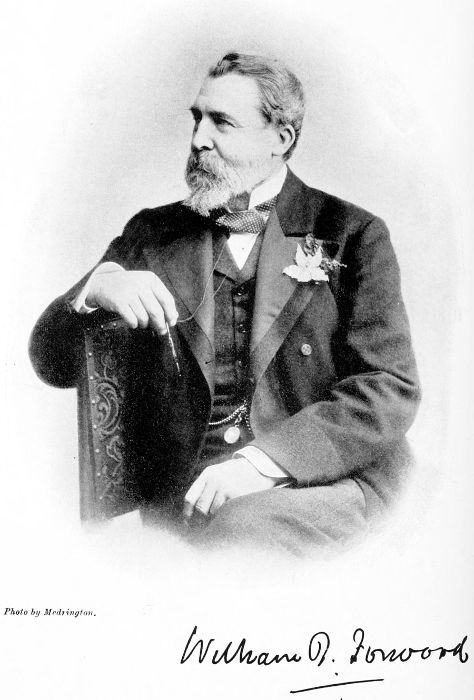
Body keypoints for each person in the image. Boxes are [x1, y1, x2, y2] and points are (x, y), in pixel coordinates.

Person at [29, 52, 420, 555]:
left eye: (222, 122)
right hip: (189, 499)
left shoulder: (351, 233)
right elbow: (51, 364)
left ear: (281, 139)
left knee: (244, 532)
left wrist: (262, 465)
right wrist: (97, 289)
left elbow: (389, 387)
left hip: (327, 482)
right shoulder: (153, 233)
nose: (198, 139)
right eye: (197, 119)